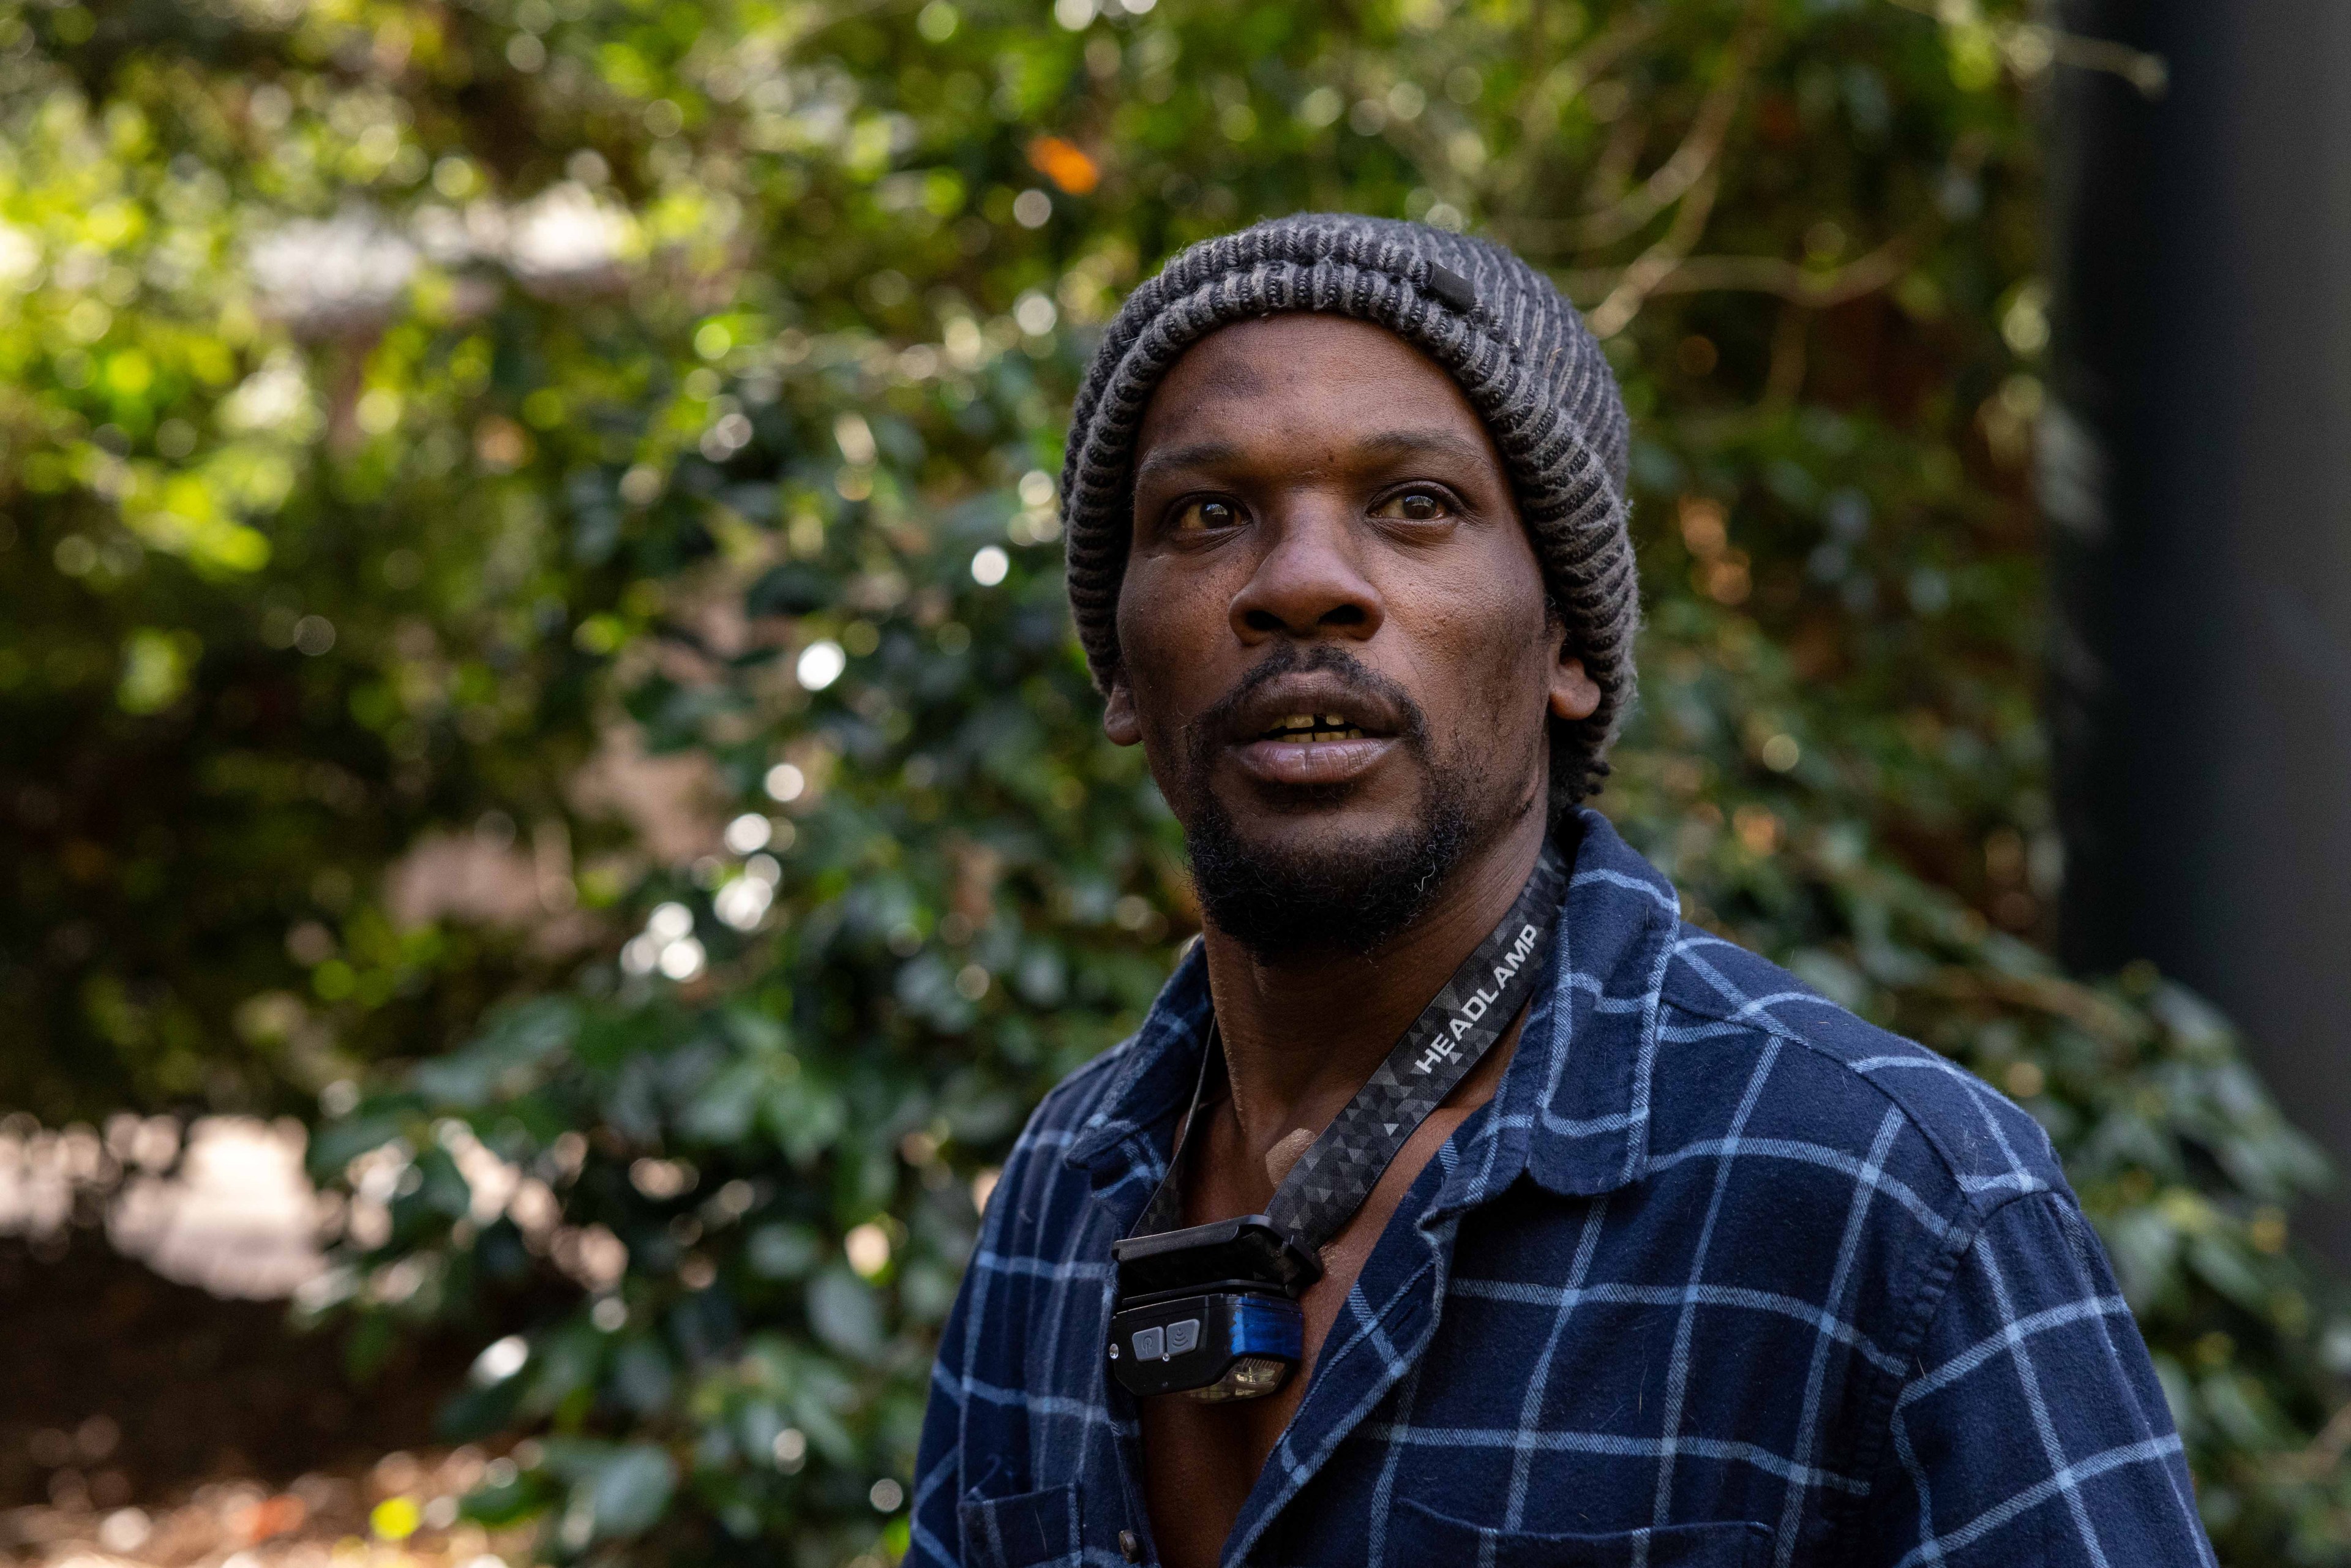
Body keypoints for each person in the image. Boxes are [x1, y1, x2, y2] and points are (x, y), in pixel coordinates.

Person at [910, 214, 2213, 1568]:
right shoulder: (1065, 1194)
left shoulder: (1890, 1199)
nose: (1302, 581)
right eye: (1208, 514)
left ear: (1571, 644)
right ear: (1119, 670)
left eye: (1414, 504)